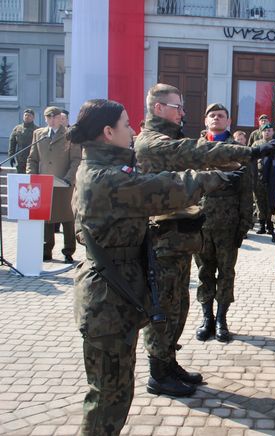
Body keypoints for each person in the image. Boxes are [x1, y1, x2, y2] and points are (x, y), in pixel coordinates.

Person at [71, 98, 237, 436]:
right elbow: (166, 189)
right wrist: (213, 178)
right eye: (126, 124)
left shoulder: (106, 168)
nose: (133, 130)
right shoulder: (108, 178)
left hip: (113, 298)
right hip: (106, 302)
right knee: (107, 397)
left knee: (114, 393)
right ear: (107, 132)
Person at [135, 83, 275, 397]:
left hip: (179, 238)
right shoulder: (152, 142)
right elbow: (199, 153)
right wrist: (249, 151)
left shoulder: (168, 138)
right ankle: (158, 373)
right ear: (159, 108)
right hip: (162, 240)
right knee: (162, 307)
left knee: (178, 304)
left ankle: (169, 361)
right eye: (177, 107)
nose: (183, 113)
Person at [194, 103, 254, 343]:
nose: (216, 118)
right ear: (205, 120)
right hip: (199, 222)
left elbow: (247, 190)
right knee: (203, 272)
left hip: (228, 223)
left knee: (226, 273)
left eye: (221, 116)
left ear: (228, 122)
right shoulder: (194, 149)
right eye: (212, 115)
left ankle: (221, 319)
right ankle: (206, 317)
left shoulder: (238, 150)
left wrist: (244, 223)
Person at [27, 106, 80, 263]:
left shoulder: (70, 135)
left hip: (64, 183)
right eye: (48, 117)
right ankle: (46, 250)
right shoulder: (39, 134)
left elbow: (76, 159)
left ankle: (68, 250)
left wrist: (68, 179)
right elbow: (33, 158)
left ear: (60, 117)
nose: (51, 120)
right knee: (45, 217)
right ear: (45, 119)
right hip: (43, 184)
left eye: (54, 117)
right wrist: (32, 177)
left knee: (67, 218)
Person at [251, 123, 275, 237]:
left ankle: (270, 226)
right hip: (259, 177)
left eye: (269, 130)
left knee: (270, 201)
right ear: (261, 132)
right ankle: (261, 225)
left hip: (271, 177)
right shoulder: (256, 144)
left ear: (273, 132)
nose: (267, 132)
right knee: (259, 201)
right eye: (265, 131)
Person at [8, 108, 38, 174]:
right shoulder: (17, 129)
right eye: (25, 115)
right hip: (20, 158)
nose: (27, 117)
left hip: (32, 158)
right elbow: (12, 142)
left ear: (33, 118)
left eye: (29, 115)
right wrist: (11, 156)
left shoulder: (37, 130)